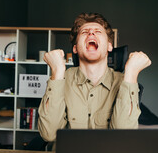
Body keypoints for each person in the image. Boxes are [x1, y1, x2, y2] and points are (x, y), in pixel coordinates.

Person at [38, 13, 151, 142]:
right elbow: (49, 134)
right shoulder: (60, 79)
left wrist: (131, 73)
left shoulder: (124, 81)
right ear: (75, 48)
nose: (91, 33)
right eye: (85, 32)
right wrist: (57, 71)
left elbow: (122, 137)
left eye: (98, 31)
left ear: (109, 46)